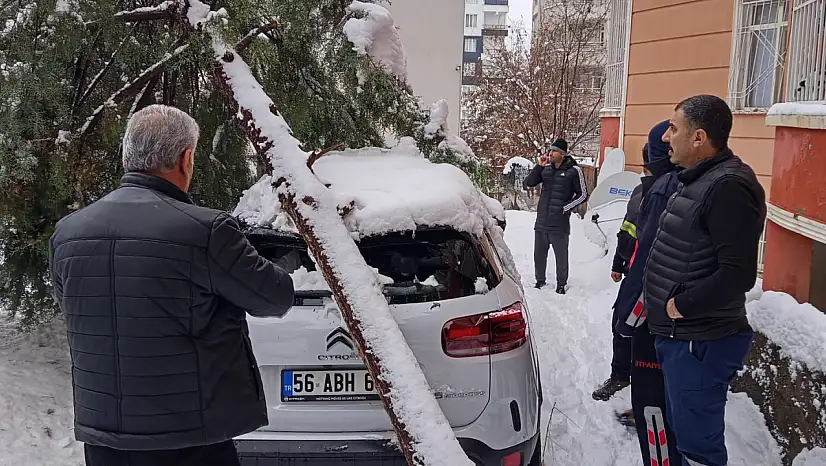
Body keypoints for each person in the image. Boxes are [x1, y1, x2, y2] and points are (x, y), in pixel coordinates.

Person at [49, 105, 295, 466]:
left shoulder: (68, 233)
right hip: (189, 434)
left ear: (128, 155)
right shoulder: (205, 231)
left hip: (105, 437)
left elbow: (75, 307)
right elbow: (274, 297)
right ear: (186, 158)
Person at [644, 95, 766, 466]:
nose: (666, 137)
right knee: (683, 431)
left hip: (700, 340)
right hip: (682, 337)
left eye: (674, 128)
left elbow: (738, 273)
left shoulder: (728, 187)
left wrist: (681, 305)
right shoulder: (698, 178)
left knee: (698, 445)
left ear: (699, 137)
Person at [610, 120, 684, 465]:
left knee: (653, 404)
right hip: (674, 318)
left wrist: (626, 318)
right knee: (666, 400)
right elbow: (632, 236)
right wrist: (618, 260)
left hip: (655, 318)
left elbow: (651, 265)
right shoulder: (674, 187)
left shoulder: (662, 192)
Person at [592, 143, 653, 403]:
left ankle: (646, 390)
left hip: (658, 281)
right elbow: (627, 230)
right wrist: (618, 263)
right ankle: (620, 375)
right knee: (622, 324)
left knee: (644, 335)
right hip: (634, 275)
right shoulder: (641, 191)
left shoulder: (678, 193)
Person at [524, 138, 588, 294]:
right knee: (539, 255)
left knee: (561, 257)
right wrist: (539, 166)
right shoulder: (546, 169)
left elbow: (583, 194)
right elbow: (528, 183)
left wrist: (566, 208)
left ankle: (561, 284)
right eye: (550, 150)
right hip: (542, 221)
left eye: (554, 151)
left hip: (559, 224)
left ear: (562, 154)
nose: (550, 153)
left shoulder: (574, 171)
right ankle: (540, 281)